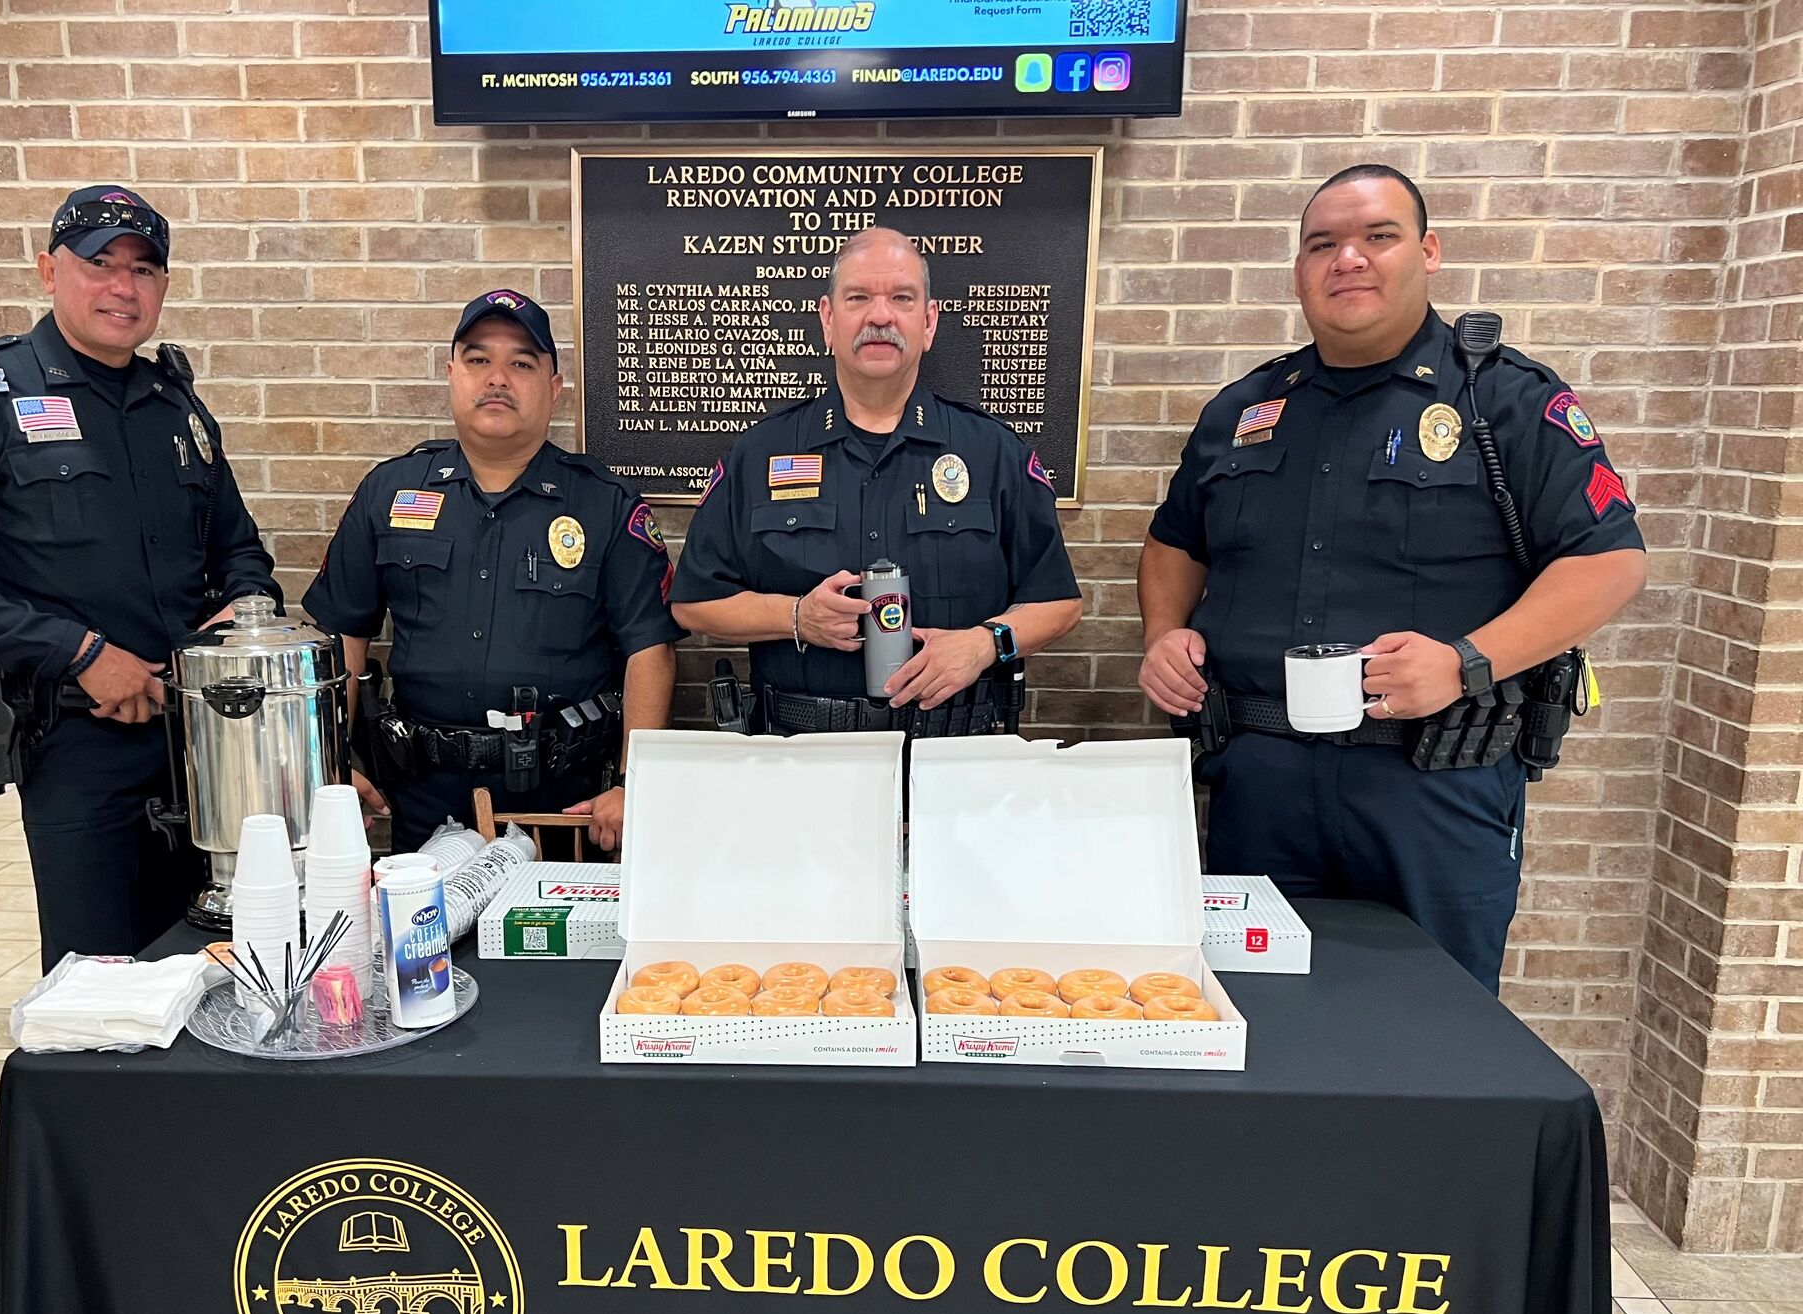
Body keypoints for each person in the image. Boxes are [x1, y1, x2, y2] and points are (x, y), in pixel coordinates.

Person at [1136, 164, 1647, 991]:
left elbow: (1610, 560)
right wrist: (1165, 635)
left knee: (1436, 1035)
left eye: (1378, 237)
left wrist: (1464, 661)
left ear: (1428, 250)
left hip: (1432, 787)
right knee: (1257, 1026)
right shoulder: (1247, 410)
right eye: (1322, 244)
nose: (1348, 260)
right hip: (1258, 786)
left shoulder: (1504, 403)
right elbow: (1173, 546)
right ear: (1299, 269)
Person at [0, 184, 279, 971]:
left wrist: (248, 611)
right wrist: (79, 652)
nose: (123, 287)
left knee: (216, 955)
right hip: (78, 748)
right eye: (100, 264)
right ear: (49, 271)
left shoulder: (176, 408)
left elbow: (239, 550)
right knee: (98, 977)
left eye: (144, 270)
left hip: (203, 743)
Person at [303, 290, 679, 854]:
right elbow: (344, 635)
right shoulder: (391, 491)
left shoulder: (605, 503)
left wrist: (633, 782)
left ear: (554, 387)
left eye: (522, 363)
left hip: (562, 802)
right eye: (478, 360)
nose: (497, 377)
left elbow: (650, 649)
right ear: (451, 373)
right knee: (422, 942)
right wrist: (327, 766)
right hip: (422, 795)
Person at [670, 226, 1081, 736]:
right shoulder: (761, 454)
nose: (880, 316)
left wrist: (985, 643)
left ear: (928, 323)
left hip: (955, 751)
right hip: (803, 757)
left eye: (902, 298)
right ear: (828, 319)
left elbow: (1059, 602)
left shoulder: (993, 452)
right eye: (859, 297)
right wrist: (797, 616)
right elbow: (693, 604)